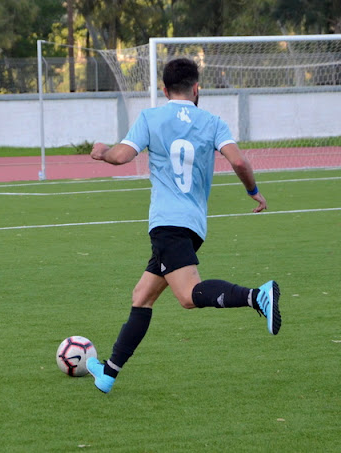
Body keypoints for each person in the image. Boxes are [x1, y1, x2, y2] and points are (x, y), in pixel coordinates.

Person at [85, 58, 281, 394]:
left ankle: (257, 296)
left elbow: (122, 156)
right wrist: (253, 191)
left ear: (164, 90)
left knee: (189, 296)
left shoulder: (151, 117)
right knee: (142, 296)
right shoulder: (213, 122)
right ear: (196, 89)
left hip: (167, 224)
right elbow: (239, 161)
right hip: (193, 225)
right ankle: (108, 373)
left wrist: (102, 152)